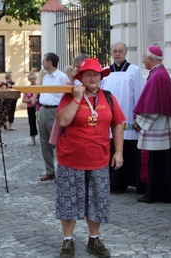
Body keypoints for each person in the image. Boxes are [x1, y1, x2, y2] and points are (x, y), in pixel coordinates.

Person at [55, 58, 125, 258]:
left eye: (96, 74)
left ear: (101, 77)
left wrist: (118, 152)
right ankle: (68, 241)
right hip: (71, 159)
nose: (93, 78)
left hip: (99, 159)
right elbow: (63, 120)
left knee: (98, 201)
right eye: (88, 75)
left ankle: (94, 239)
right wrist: (77, 99)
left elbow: (118, 124)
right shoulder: (70, 96)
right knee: (69, 201)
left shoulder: (108, 97)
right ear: (81, 78)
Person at [133, 46, 171, 203]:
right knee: (160, 159)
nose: (143, 61)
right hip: (158, 123)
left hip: (156, 125)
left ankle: (156, 193)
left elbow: (153, 106)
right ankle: (161, 191)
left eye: (144, 58)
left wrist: (139, 122)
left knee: (156, 160)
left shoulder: (157, 76)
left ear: (150, 59)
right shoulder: (159, 73)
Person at [100, 42, 146, 193]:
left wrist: (139, 118)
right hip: (108, 116)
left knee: (127, 148)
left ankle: (126, 181)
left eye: (120, 51)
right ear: (111, 54)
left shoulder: (134, 70)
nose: (117, 54)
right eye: (114, 51)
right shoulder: (105, 72)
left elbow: (139, 94)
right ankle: (111, 181)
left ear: (126, 53)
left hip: (128, 116)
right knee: (110, 146)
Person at [36, 52, 70, 181]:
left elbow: (66, 95)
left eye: (44, 61)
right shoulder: (46, 77)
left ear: (50, 62)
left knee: (58, 142)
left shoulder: (62, 77)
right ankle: (49, 171)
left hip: (55, 110)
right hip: (44, 109)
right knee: (44, 142)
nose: (42, 63)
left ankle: (62, 170)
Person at [21, 72, 39, 146]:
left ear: (36, 79)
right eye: (31, 79)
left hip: (38, 107)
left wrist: (35, 99)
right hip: (30, 108)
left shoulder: (39, 87)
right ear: (29, 80)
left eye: (34, 78)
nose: (32, 80)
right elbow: (23, 100)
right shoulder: (27, 88)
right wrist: (30, 100)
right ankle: (33, 140)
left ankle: (45, 139)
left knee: (41, 123)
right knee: (32, 123)